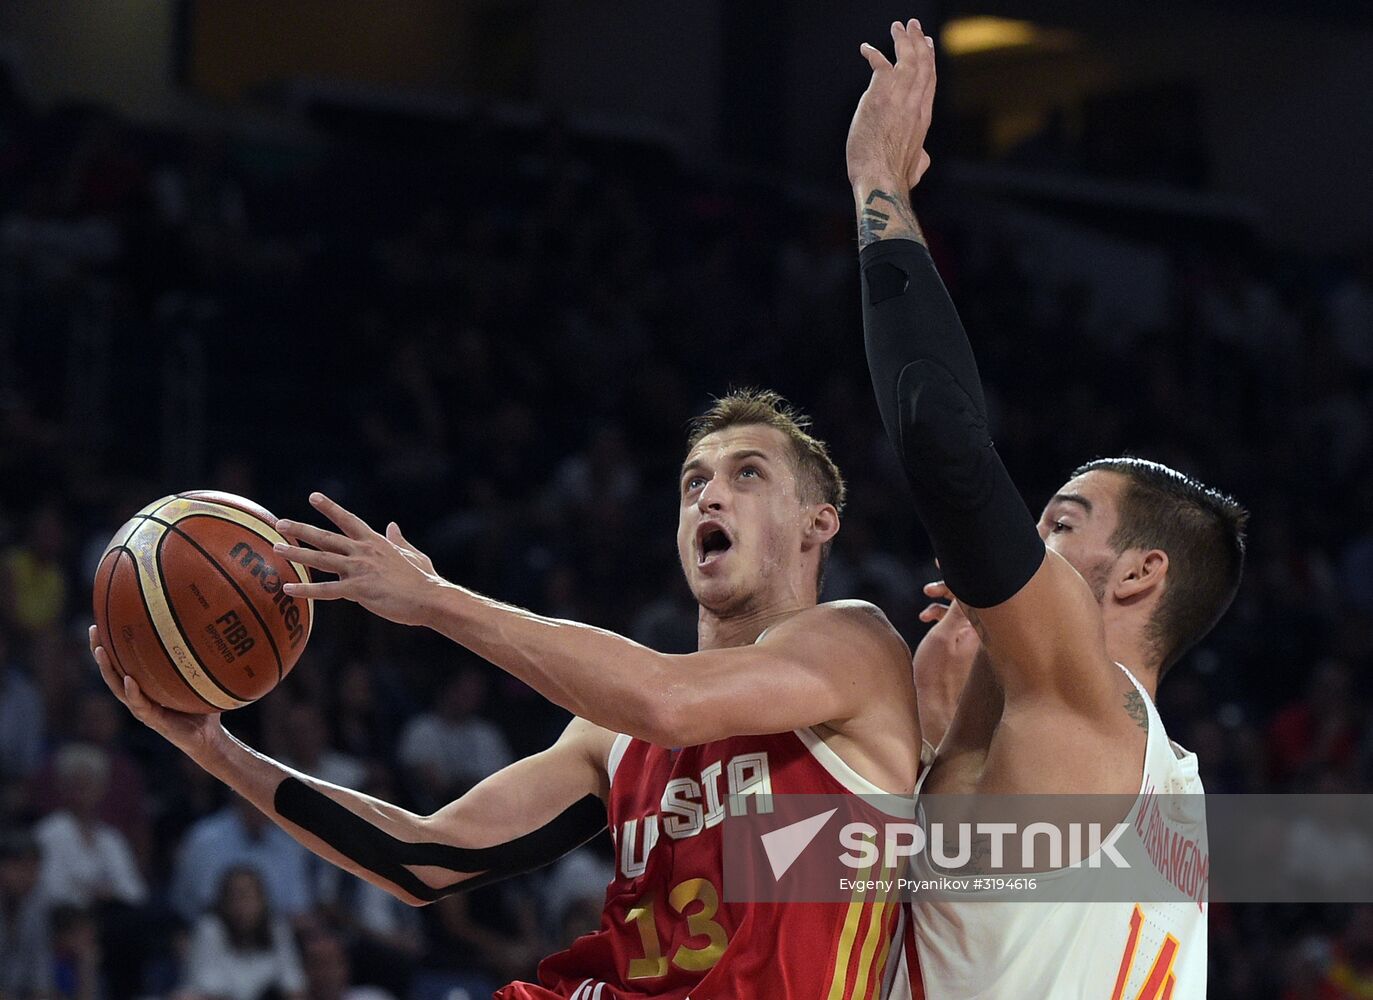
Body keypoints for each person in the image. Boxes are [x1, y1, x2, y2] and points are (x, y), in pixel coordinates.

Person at [90, 389, 923, 999]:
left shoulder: (853, 644)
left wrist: (438, 601)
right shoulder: (609, 738)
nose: (709, 493)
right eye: (692, 481)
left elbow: (668, 700)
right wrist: (210, 746)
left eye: (747, 475)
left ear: (819, 522)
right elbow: (425, 859)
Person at [847, 19, 1247, 998]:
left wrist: (877, 189)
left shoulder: (1083, 708)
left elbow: (940, 440)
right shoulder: (1169, 792)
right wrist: (938, 744)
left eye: (1060, 525)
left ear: (1141, 573)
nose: (1023, 553)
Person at [178, 865, 306, 1000]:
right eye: (235, 897)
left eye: (248, 896)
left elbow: (294, 986)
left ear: (262, 900)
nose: (242, 905)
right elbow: (205, 989)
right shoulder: (210, 929)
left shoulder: (277, 929)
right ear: (223, 902)